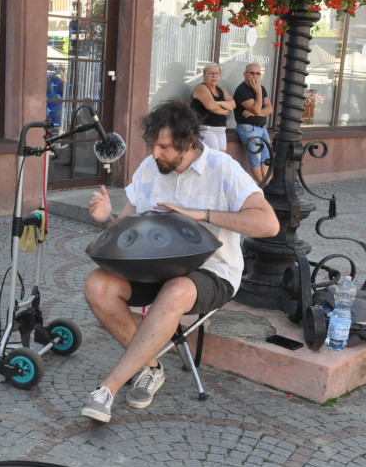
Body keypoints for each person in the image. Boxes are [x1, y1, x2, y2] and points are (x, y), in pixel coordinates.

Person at [81, 99, 278, 423]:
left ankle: (109, 388)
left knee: (176, 290)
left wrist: (203, 215)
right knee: (98, 284)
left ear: (188, 143)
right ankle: (151, 368)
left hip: (213, 271)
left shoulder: (223, 168)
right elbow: (125, 229)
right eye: (153, 145)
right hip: (152, 268)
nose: (155, 154)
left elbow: (269, 224)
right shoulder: (149, 168)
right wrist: (106, 219)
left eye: (164, 147)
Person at [233, 63, 273, 183]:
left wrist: (255, 113)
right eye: (252, 73)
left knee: (267, 157)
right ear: (245, 74)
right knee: (256, 157)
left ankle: (267, 185)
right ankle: (263, 187)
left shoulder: (262, 88)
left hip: (262, 128)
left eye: (258, 73)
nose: (255, 76)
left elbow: (269, 109)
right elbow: (256, 108)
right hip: (248, 128)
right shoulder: (241, 90)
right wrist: (258, 93)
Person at [190, 64, 234, 152]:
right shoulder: (201, 88)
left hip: (221, 130)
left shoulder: (221, 90)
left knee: (221, 159)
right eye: (211, 73)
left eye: (217, 73)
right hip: (206, 129)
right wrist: (224, 110)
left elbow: (233, 104)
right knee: (213, 159)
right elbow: (211, 106)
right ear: (204, 75)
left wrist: (220, 102)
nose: (214, 76)